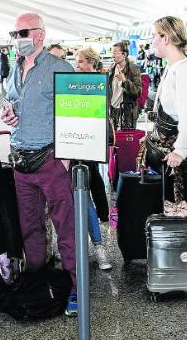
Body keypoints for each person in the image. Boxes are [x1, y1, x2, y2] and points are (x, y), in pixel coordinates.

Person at [0, 12, 79, 316]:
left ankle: (75, 287)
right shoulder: (14, 70)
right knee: (30, 227)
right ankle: (37, 279)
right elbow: (11, 104)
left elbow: (78, 114)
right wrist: (8, 112)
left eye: (22, 33)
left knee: (66, 226)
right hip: (21, 161)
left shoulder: (60, 68)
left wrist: (65, 156)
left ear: (40, 35)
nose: (17, 39)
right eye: (14, 33)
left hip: (50, 160)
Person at [73, 47, 112, 270]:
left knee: (85, 196)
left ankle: (98, 246)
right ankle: (78, 247)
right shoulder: (72, 82)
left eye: (80, 61)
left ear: (90, 62)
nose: (77, 65)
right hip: (70, 146)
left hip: (86, 145)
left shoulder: (97, 83)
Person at [144, 16, 187, 203]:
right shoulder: (171, 67)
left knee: (177, 206)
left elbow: (185, 115)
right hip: (165, 152)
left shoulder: (183, 70)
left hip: (173, 156)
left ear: (166, 38)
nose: (153, 41)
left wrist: (181, 150)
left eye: (155, 36)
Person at [107, 40, 142, 129]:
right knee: (113, 139)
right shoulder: (111, 68)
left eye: (115, 53)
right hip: (113, 110)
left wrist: (124, 81)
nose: (112, 55)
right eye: (112, 53)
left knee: (126, 140)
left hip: (127, 111)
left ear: (124, 55)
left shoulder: (133, 69)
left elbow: (138, 92)